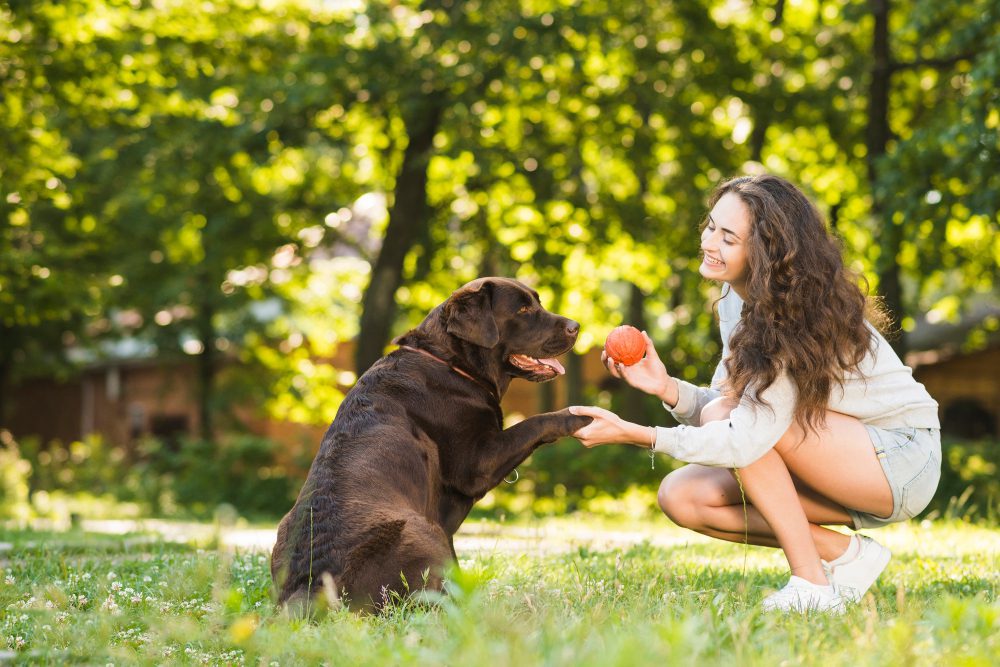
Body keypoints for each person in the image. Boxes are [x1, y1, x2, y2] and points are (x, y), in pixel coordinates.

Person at [569, 174, 941, 613]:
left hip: (899, 457)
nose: (709, 242)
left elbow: (743, 433)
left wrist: (640, 435)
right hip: (834, 452)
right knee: (682, 496)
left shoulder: (791, 320)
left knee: (735, 421)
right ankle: (848, 556)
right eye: (710, 226)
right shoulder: (736, 299)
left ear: (765, 252)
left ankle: (812, 584)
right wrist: (667, 390)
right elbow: (729, 408)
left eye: (728, 237)